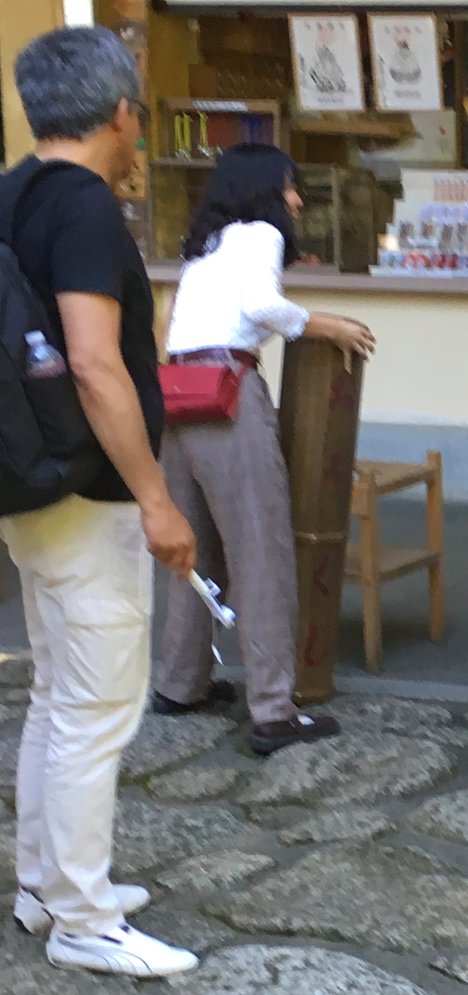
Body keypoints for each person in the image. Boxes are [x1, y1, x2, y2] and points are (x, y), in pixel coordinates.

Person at [0, 26, 199, 977]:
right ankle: (82, 916)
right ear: (123, 112)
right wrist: (157, 498)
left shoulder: (10, 194)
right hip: (91, 490)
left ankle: (46, 885)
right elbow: (94, 360)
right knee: (97, 710)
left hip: (30, 484)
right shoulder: (85, 210)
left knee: (56, 692)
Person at [153, 144, 375, 755]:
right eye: (289, 186)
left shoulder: (206, 247)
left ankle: (179, 683)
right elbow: (260, 307)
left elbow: (174, 323)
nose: (297, 199)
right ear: (262, 189)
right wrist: (328, 324)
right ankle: (275, 710)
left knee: (197, 554)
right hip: (227, 392)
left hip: (178, 395)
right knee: (262, 546)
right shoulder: (259, 236)